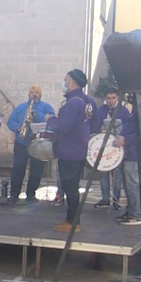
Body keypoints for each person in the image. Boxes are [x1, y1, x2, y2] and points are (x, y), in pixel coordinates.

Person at [47, 69, 93, 233]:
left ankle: (73, 222)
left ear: (73, 82)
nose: (64, 83)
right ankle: (71, 220)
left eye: (66, 80)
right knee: (70, 187)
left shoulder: (74, 103)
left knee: (71, 188)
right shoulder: (82, 101)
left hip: (71, 152)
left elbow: (65, 127)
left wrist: (50, 120)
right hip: (75, 151)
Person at [2, 85, 55, 206]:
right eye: (32, 92)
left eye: (36, 92)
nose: (34, 94)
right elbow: (10, 121)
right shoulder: (21, 107)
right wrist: (18, 127)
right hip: (22, 141)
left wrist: (36, 115)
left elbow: (52, 120)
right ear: (29, 94)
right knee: (18, 169)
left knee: (36, 170)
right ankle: (14, 195)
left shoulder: (46, 107)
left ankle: (31, 194)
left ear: (40, 94)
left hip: (38, 142)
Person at [113, 98, 141, 226]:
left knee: (132, 186)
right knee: (128, 185)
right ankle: (131, 211)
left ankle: (135, 214)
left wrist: (126, 140)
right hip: (130, 153)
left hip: (135, 154)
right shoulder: (139, 111)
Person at [93, 89, 131, 210]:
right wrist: (100, 126)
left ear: (117, 98)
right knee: (103, 173)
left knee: (117, 174)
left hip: (117, 145)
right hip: (104, 146)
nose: (111, 101)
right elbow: (94, 125)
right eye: (108, 98)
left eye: (113, 98)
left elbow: (128, 126)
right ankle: (105, 198)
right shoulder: (100, 111)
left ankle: (116, 199)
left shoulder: (123, 111)